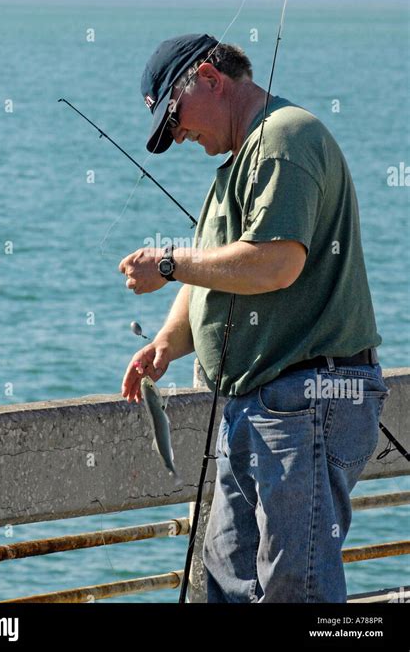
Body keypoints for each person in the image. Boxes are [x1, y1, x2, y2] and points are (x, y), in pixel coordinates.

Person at [119, 33, 390, 603]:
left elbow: (275, 262)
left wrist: (168, 263)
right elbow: (215, 275)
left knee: (298, 590)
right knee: (226, 584)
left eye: (176, 117)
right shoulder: (241, 163)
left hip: (305, 403)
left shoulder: (284, 139)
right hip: (258, 408)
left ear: (212, 79)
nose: (181, 135)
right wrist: (165, 344)